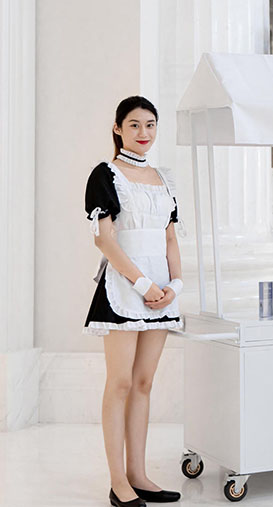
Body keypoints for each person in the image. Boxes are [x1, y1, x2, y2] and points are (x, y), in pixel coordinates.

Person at [83, 96, 183, 506]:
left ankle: (138, 475)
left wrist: (175, 285)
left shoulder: (164, 178)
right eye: (135, 125)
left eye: (150, 125)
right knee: (121, 383)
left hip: (161, 291)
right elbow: (104, 240)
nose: (144, 133)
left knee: (144, 383)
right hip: (125, 289)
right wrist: (143, 284)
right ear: (118, 129)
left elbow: (170, 238)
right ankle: (117, 482)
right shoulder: (105, 175)